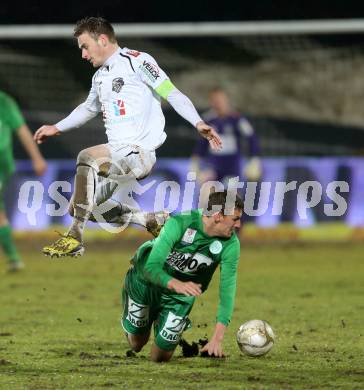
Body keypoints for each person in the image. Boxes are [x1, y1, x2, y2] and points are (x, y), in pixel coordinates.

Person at [33, 17, 222, 258]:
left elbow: (171, 93)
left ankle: (75, 236)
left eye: (84, 46)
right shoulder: (100, 77)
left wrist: (198, 121)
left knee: (86, 157)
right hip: (118, 156)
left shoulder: (138, 61)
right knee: (79, 206)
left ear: (102, 40)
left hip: (138, 152)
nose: (83, 54)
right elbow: (87, 108)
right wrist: (57, 127)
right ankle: (147, 219)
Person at [121, 190, 242, 362]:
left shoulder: (231, 245)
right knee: (136, 344)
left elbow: (227, 291)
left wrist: (217, 339)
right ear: (218, 216)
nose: (238, 225)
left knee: (160, 358)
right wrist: (175, 283)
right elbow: (152, 267)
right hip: (145, 282)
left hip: (180, 296)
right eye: (235, 219)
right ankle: (146, 312)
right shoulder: (180, 222)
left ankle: (163, 319)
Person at [0, 90, 47, 272]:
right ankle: (13, 258)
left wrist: (37, 158)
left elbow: (22, 130)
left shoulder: (4, 101)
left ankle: (13, 258)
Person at [191, 87, 261, 190]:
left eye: (220, 100)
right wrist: (195, 161)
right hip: (213, 165)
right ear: (211, 102)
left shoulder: (237, 119)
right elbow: (202, 143)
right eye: (215, 101)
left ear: (226, 100)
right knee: (207, 193)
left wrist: (254, 159)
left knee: (231, 197)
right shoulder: (208, 120)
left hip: (231, 166)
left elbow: (251, 137)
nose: (218, 104)